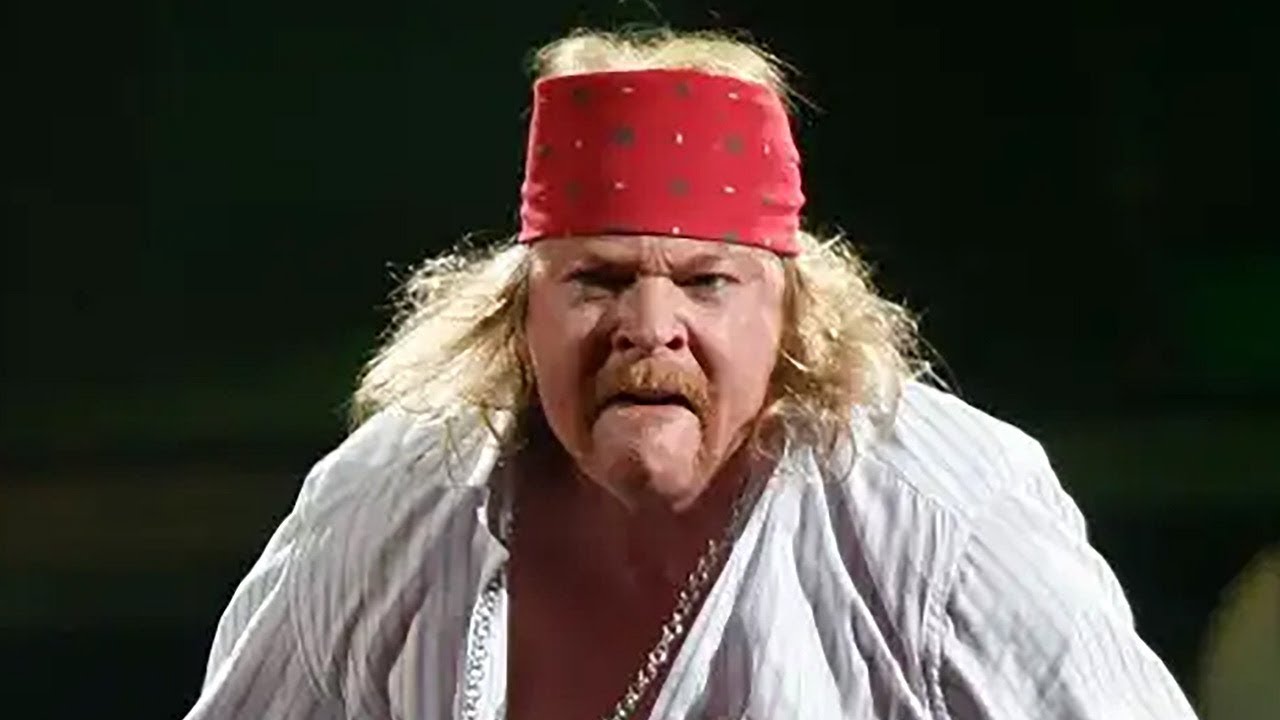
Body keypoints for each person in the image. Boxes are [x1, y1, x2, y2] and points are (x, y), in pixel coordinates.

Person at [184, 28, 1198, 720]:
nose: (649, 329)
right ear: (520, 311)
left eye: (706, 282)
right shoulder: (386, 504)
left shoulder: (940, 514)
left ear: (791, 314)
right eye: (597, 280)